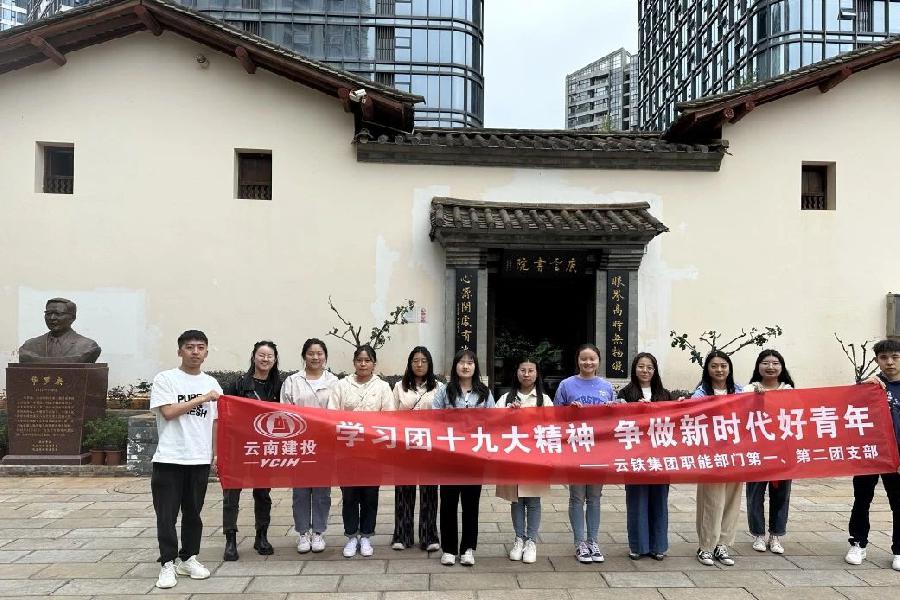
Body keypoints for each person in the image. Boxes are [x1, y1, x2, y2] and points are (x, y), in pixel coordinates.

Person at [149, 330, 222, 589]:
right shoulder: (166, 379)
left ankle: (188, 558)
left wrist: (215, 453)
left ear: (206, 352)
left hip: (198, 459)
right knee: (166, 515)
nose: (195, 352)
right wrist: (202, 398)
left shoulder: (212, 383)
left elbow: (216, 422)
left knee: (193, 514)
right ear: (180, 351)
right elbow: (168, 412)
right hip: (170, 458)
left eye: (200, 347)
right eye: (190, 347)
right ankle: (167, 563)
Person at [328, 344, 394, 558]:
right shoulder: (341, 385)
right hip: (346, 451)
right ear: (354, 362)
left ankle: (366, 535)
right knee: (349, 495)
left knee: (369, 495)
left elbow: (389, 417)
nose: (363, 364)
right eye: (359, 360)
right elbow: (331, 415)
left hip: (373, 452)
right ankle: (351, 536)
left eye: (367, 360)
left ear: (374, 363)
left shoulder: (383, 387)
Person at [553, 343, 617, 564]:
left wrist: (612, 409)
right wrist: (568, 411)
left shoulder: (607, 386)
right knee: (577, 496)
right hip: (575, 449)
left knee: (595, 497)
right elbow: (554, 416)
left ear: (598, 361)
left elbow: (616, 421)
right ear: (577, 361)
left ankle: (593, 541)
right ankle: (580, 542)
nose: (588, 362)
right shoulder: (566, 385)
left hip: (599, 450)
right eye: (584, 359)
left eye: (592, 359)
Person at [433, 348, 495, 567]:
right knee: (448, 503)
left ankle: (468, 548)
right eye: (462, 362)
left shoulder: (484, 392)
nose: (466, 366)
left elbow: (493, 422)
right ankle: (449, 549)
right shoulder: (444, 391)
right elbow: (434, 419)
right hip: (449, 457)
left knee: (471, 504)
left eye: (470, 362)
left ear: (475, 367)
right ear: (455, 366)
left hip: (473, 457)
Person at [221, 340, 281, 561]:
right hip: (238, 448)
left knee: (263, 494)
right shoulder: (238, 384)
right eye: (261, 355)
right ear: (254, 357)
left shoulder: (278, 386)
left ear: (275, 360)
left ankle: (261, 536)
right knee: (231, 494)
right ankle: (230, 539)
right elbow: (225, 417)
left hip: (265, 448)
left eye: (269, 356)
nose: (265, 359)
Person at [281, 338, 339, 554]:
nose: (315, 357)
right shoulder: (292, 381)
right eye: (311, 353)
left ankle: (319, 532)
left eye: (319, 353)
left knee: (322, 491)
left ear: (325, 357)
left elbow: (336, 412)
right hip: (299, 443)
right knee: (301, 491)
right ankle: (303, 532)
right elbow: (285, 412)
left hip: (325, 444)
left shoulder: (334, 382)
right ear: (304, 356)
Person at [691, 350, 748, 567]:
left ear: (729, 368)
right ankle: (706, 546)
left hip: (735, 454)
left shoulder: (740, 391)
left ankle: (722, 544)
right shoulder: (700, 394)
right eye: (714, 366)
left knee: (732, 501)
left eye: (723, 365)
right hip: (711, 456)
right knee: (712, 501)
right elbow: (690, 417)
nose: (719, 370)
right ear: (707, 369)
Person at [848, 339, 900, 570]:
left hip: (897, 457)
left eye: (895, 357)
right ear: (877, 360)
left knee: (898, 503)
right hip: (869, 454)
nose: (889, 362)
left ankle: (899, 550)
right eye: (883, 358)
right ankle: (858, 543)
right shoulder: (870, 386)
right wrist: (861, 388)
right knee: (862, 499)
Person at [496, 359, 553, 564]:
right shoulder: (505, 398)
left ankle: (531, 541)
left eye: (531, 371)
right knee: (517, 499)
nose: (526, 374)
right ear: (517, 372)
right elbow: (493, 425)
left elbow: (552, 427)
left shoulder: (544, 400)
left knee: (533, 500)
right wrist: (508, 415)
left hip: (535, 458)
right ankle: (519, 538)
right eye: (523, 370)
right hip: (513, 457)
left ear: (537, 374)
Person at [618, 352, 673, 561]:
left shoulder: (665, 394)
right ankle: (638, 546)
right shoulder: (625, 393)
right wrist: (633, 409)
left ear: (655, 370)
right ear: (634, 369)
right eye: (641, 366)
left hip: (660, 456)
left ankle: (658, 546)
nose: (645, 371)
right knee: (637, 500)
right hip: (635, 456)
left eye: (649, 367)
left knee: (659, 501)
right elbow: (617, 420)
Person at [391, 346, 442, 553]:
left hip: (430, 447)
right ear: (410, 364)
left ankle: (429, 536)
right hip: (405, 446)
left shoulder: (439, 387)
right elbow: (390, 416)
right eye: (415, 361)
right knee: (404, 491)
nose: (419, 364)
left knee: (429, 492)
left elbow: (444, 417)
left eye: (424, 361)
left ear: (429, 364)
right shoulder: (399, 387)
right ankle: (402, 535)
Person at [745, 349, 795, 556]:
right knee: (755, 495)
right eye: (766, 363)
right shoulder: (749, 389)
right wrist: (754, 398)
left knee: (781, 495)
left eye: (775, 363)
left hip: (783, 452)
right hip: (756, 452)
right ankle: (758, 534)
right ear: (758, 366)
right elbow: (740, 415)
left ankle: (775, 535)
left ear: (782, 367)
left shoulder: (789, 390)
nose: (770, 367)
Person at [18, 297, 101, 363]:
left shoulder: (87, 346)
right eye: (48, 314)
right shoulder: (30, 346)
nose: (52, 318)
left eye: (58, 314)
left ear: (72, 318)